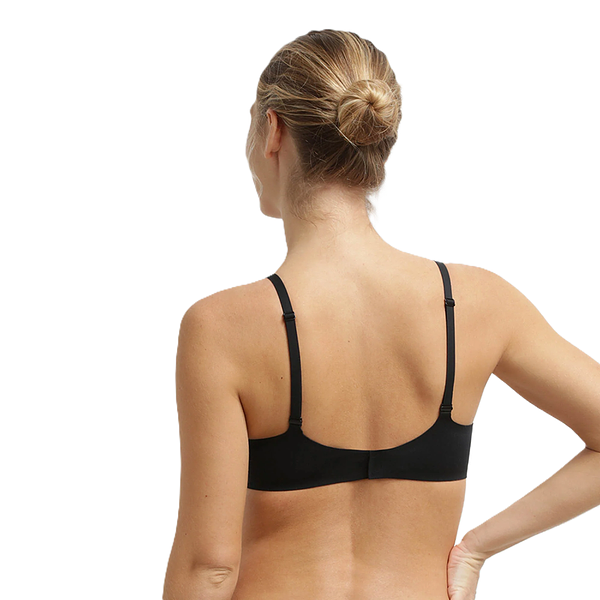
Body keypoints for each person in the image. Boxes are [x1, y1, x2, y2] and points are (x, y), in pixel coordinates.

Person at [163, 29, 600, 600]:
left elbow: (210, 568)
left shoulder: (221, 328)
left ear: (273, 130)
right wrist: (476, 549)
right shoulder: (480, 304)